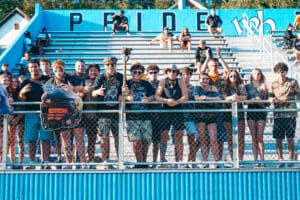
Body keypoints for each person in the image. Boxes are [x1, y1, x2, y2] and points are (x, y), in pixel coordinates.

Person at [46, 59, 87, 169]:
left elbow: (83, 89)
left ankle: (83, 162)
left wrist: (73, 89)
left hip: (74, 111)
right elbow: (45, 97)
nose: (58, 71)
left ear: (64, 68)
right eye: (56, 69)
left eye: (60, 68)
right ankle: (68, 162)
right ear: (53, 70)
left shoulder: (72, 78)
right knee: (65, 138)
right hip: (61, 113)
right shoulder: (50, 82)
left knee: (79, 137)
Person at [18, 60, 52, 169]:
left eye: (35, 66)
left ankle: (45, 161)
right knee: (31, 139)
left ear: (39, 67)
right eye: (31, 67)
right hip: (31, 113)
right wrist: (22, 92)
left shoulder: (47, 80)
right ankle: (32, 162)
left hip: (45, 113)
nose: (34, 69)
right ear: (29, 69)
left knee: (45, 138)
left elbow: (52, 94)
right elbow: (21, 100)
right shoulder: (26, 82)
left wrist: (47, 94)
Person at [92, 57, 123, 169]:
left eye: (112, 64)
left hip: (116, 111)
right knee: (104, 137)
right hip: (104, 112)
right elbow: (93, 92)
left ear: (115, 65)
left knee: (118, 137)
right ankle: (106, 160)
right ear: (105, 66)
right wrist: (97, 92)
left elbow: (123, 93)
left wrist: (123, 95)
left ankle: (121, 159)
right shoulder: (100, 77)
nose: (110, 67)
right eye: (108, 65)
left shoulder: (120, 76)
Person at [155, 64, 188, 167]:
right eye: (170, 71)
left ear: (177, 72)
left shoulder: (180, 81)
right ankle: (162, 159)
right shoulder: (163, 81)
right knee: (164, 135)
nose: (172, 73)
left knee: (179, 135)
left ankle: (179, 160)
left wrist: (176, 102)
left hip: (177, 110)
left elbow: (185, 96)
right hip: (165, 110)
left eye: (174, 71)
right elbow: (157, 96)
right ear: (167, 71)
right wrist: (167, 100)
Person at [269, 62, 300, 168]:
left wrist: (288, 100)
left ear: (286, 72)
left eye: (283, 72)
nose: (281, 74)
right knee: (278, 138)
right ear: (275, 73)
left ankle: (290, 159)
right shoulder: (273, 84)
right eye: (278, 72)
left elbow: (299, 95)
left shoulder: (293, 82)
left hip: (290, 114)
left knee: (290, 138)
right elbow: (270, 97)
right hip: (278, 115)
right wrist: (272, 99)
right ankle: (280, 159)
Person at [124, 62, 155, 168]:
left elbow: (153, 96)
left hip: (145, 116)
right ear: (131, 73)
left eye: (139, 72)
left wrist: (149, 99)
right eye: (135, 72)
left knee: (146, 141)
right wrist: (127, 97)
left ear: (142, 73)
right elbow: (121, 97)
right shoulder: (126, 84)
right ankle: (139, 162)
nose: (137, 74)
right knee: (136, 141)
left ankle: (144, 162)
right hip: (132, 116)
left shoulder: (146, 84)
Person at [193, 72, 222, 168]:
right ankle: (205, 161)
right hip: (200, 116)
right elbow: (197, 98)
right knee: (203, 139)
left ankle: (216, 161)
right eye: (203, 79)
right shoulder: (197, 88)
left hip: (212, 116)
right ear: (199, 80)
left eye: (207, 79)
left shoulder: (213, 87)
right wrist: (211, 99)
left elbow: (218, 98)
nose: (205, 80)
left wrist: (206, 98)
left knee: (213, 139)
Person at [220, 69, 247, 164]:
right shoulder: (224, 86)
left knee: (241, 138)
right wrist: (232, 97)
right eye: (231, 76)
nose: (233, 78)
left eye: (235, 76)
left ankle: (241, 160)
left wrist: (237, 97)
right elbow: (224, 97)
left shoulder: (240, 86)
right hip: (227, 113)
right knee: (230, 138)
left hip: (239, 113)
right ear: (228, 77)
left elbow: (244, 97)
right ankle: (233, 160)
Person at [245, 68, 269, 167]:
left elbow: (267, 103)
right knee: (253, 137)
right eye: (255, 73)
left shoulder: (265, 86)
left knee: (260, 137)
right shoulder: (247, 86)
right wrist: (252, 100)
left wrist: (260, 101)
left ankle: (262, 159)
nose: (257, 75)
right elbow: (244, 101)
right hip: (251, 111)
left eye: (259, 73)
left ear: (261, 75)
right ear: (251, 75)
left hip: (261, 112)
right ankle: (255, 160)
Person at [81, 63, 100, 168]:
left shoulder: (101, 81)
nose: (93, 72)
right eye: (91, 70)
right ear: (88, 72)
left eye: (95, 70)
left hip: (96, 115)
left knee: (92, 139)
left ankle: (91, 159)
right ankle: (81, 160)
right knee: (79, 139)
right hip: (84, 114)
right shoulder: (83, 82)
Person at [180, 67, 198, 168]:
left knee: (192, 140)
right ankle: (180, 162)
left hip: (190, 117)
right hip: (179, 117)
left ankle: (192, 161)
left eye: (188, 74)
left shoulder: (193, 88)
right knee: (179, 141)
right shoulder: (178, 87)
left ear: (191, 76)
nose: (185, 77)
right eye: (183, 74)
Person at [7, 76, 24, 169]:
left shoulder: (20, 92)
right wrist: (11, 119)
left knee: (20, 141)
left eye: (16, 81)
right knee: (12, 142)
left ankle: (21, 162)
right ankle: (13, 162)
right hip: (10, 119)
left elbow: (24, 107)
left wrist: (17, 119)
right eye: (12, 81)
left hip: (20, 118)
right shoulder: (7, 93)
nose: (14, 83)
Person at [146, 64, 161, 166]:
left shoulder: (161, 84)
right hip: (146, 115)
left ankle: (155, 161)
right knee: (146, 141)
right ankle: (144, 161)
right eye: (151, 73)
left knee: (156, 141)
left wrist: (152, 98)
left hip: (158, 115)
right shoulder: (145, 84)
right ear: (148, 74)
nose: (153, 74)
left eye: (155, 72)